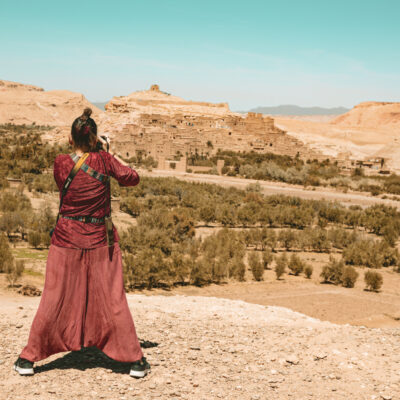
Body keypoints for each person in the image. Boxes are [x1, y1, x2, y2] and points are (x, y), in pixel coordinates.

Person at [14, 108, 150, 378]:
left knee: (55, 297)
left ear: (70, 138)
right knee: (113, 298)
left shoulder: (61, 162)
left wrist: (89, 149)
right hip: (101, 240)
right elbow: (132, 178)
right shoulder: (105, 161)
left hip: (65, 238)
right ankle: (134, 360)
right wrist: (108, 152)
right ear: (95, 138)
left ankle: (28, 359)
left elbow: (62, 186)